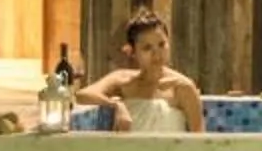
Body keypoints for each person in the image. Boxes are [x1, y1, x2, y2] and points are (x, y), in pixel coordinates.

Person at [75, 8, 204, 134]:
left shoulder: (182, 87)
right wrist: (116, 105)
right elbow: (82, 95)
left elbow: (200, 142)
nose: (156, 54)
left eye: (161, 44)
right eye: (147, 48)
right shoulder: (122, 80)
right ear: (132, 52)